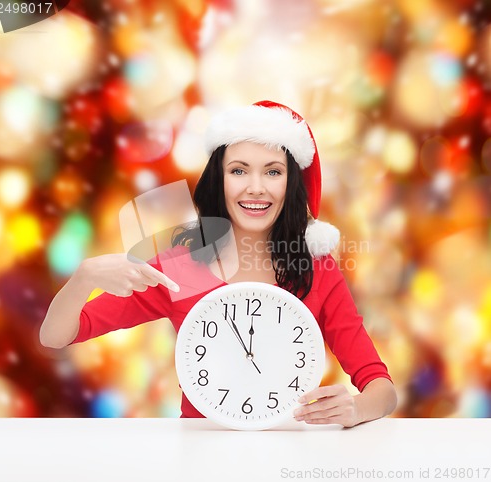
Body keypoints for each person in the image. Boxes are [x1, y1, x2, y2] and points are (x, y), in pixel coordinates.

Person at [40, 100, 397, 427]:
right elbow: (56, 335)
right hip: (200, 456)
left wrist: (356, 408)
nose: (255, 188)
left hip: (290, 451)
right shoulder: (180, 270)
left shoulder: (317, 270)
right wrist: (84, 277)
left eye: (273, 172)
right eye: (239, 171)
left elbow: (381, 387)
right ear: (219, 180)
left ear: (291, 184)